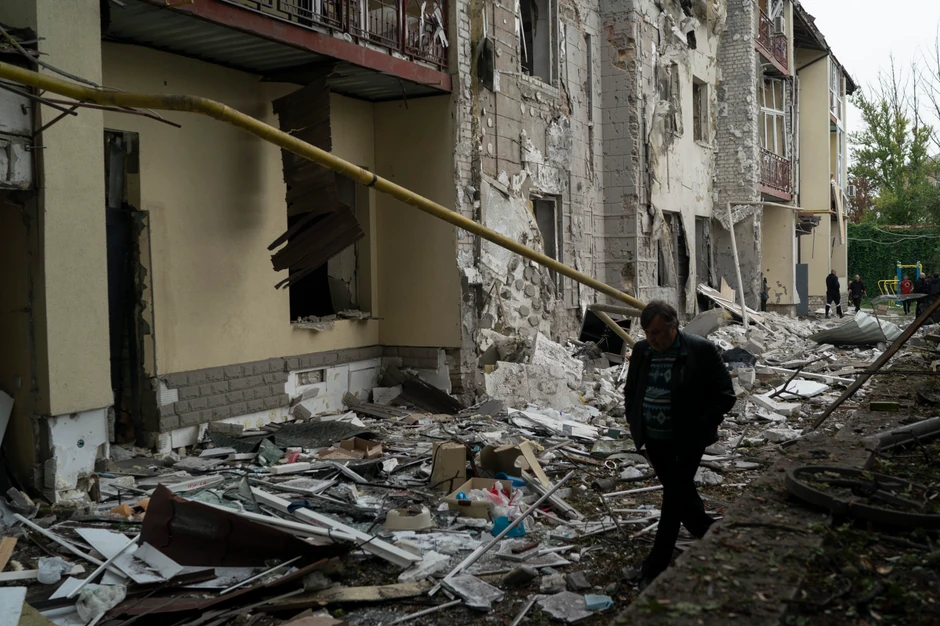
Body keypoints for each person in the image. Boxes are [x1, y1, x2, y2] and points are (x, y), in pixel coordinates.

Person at [623, 301, 736, 589]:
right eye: (648, 333)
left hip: (688, 439)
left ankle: (656, 565)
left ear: (673, 327)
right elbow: (631, 391)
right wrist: (635, 421)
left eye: (657, 332)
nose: (652, 338)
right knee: (680, 490)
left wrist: (702, 425)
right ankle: (706, 529)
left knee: (673, 497)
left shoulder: (700, 350)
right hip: (654, 438)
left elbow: (725, 394)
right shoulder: (642, 351)